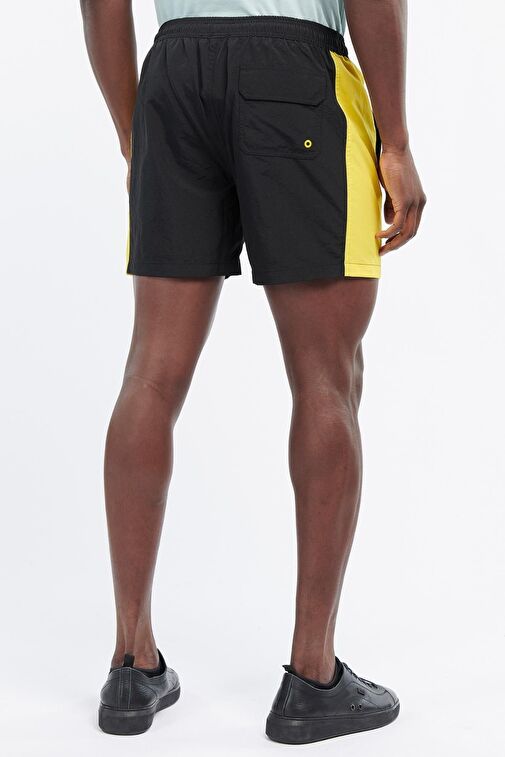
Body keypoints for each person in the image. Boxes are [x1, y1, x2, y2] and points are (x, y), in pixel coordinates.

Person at [80, 0, 425, 743]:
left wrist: (136, 133)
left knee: (149, 374)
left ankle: (131, 664)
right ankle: (312, 678)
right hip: (294, 72)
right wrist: (394, 141)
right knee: (326, 377)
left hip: (173, 74)